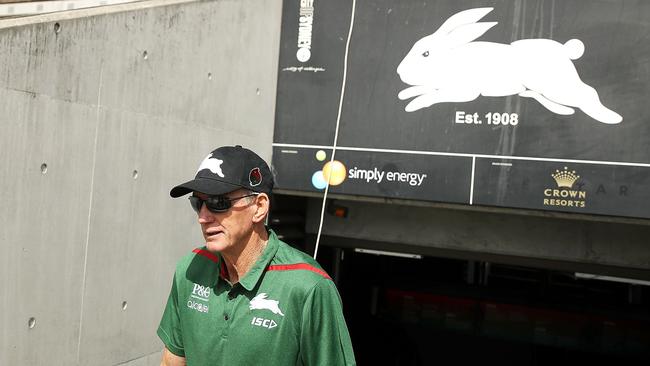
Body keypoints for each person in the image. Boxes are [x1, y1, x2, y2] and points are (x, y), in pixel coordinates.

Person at [157, 145, 356, 366]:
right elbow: (171, 360)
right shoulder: (190, 268)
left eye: (218, 203)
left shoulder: (309, 287)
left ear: (259, 207)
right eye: (198, 203)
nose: (203, 217)